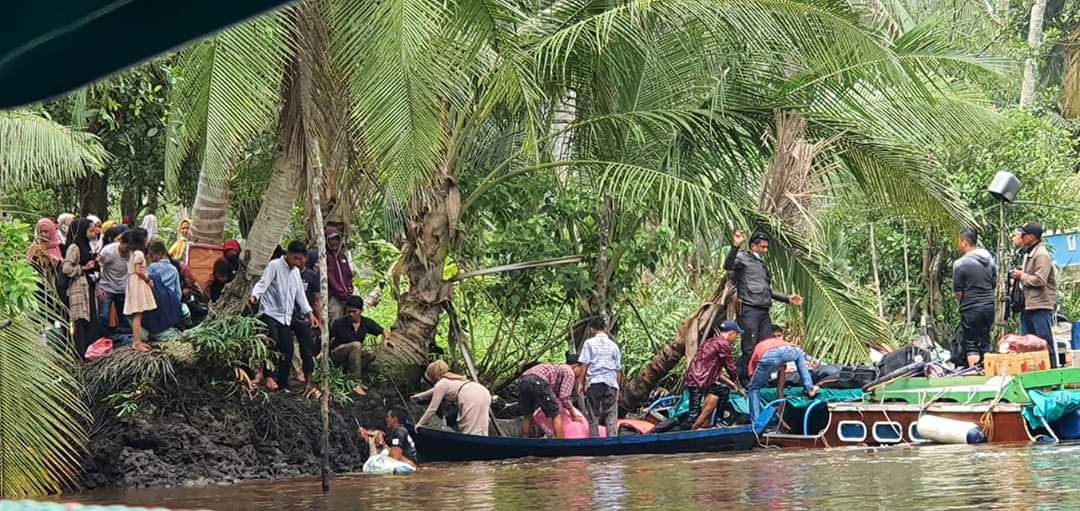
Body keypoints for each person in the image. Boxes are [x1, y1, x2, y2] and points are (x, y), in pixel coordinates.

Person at [724, 230, 804, 381]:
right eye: (762, 247)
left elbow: (767, 290)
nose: (765, 250)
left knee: (766, 346)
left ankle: (761, 378)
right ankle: (744, 378)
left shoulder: (762, 265)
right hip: (749, 310)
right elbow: (728, 266)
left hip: (763, 311)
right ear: (753, 246)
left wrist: (787, 298)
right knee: (749, 347)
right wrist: (735, 247)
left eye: (767, 247)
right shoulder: (742, 258)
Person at [249, 241, 319, 391]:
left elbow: (300, 295)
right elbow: (263, 283)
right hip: (270, 312)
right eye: (296, 258)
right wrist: (255, 295)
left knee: (288, 349)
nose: (298, 262)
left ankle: (283, 384)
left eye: (301, 259)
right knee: (273, 342)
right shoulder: (274, 265)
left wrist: (309, 313)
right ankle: (269, 376)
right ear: (288, 254)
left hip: (285, 317)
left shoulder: (295, 272)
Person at [1011, 221, 1059, 367]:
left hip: (1040, 306)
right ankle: (1033, 370)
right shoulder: (1030, 253)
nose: (1021, 237)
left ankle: (1052, 369)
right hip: (1029, 304)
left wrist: (1021, 276)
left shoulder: (1041, 255)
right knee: (1027, 343)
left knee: (1043, 341)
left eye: (1023, 235)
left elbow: (1040, 280)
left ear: (1031, 237)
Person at [684, 320, 745, 429]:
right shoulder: (723, 344)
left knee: (723, 391)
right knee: (694, 414)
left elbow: (713, 371)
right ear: (731, 333)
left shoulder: (711, 342)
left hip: (698, 378)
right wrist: (738, 385)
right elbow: (731, 368)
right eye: (736, 335)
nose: (736, 338)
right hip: (699, 381)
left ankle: (716, 421)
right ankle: (684, 432)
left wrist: (732, 384)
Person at [746, 333, 819, 424]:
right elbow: (780, 388)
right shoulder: (781, 347)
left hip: (769, 355)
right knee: (799, 354)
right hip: (789, 351)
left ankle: (755, 422)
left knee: (753, 389)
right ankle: (809, 388)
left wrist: (752, 384)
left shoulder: (760, 352)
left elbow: (752, 375)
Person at [953, 228, 997, 368]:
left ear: (965, 242)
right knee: (985, 341)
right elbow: (993, 282)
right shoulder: (989, 259)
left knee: (971, 343)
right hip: (988, 306)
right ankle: (988, 370)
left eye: (959, 241)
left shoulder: (960, 264)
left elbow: (958, 292)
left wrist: (964, 302)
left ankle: (974, 371)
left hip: (971, 307)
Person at [412, 360, 492, 436]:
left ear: (433, 376)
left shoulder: (441, 383)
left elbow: (432, 409)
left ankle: (470, 444)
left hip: (470, 397)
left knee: (469, 428)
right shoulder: (452, 378)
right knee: (481, 425)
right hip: (482, 391)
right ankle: (483, 441)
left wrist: (420, 424)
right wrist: (418, 397)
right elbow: (434, 391)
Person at [329, 295, 389, 396]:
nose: (351, 314)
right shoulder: (339, 323)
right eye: (349, 312)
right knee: (356, 345)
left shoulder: (366, 323)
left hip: (352, 356)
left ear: (361, 311)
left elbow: (383, 330)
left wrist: (386, 339)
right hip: (337, 355)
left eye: (354, 312)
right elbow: (327, 338)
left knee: (370, 353)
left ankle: (348, 373)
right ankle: (355, 383)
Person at [61, 218, 100, 356]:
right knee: (80, 320)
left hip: (88, 287)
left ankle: (91, 351)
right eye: (90, 230)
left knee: (91, 319)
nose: (94, 233)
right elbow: (66, 268)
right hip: (78, 288)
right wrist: (83, 268)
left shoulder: (87, 246)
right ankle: (81, 352)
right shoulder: (74, 247)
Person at [577, 318, 621, 437]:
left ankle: (595, 441)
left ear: (592, 329)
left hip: (594, 382)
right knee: (611, 416)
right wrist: (617, 387)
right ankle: (612, 441)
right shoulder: (614, 346)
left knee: (593, 416)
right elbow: (618, 369)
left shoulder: (589, 343)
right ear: (605, 329)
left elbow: (585, 364)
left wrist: (580, 383)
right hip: (610, 382)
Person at [516, 362, 582, 438]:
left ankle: (525, 438)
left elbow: (554, 393)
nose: (579, 377)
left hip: (523, 379)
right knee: (556, 414)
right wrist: (573, 414)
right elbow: (564, 397)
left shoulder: (558, 368)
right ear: (576, 366)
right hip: (538, 381)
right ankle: (560, 441)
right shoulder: (569, 372)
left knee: (528, 414)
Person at [122, 229, 155, 352]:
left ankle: (137, 341)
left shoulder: (130, 253)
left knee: (137, 313)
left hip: (132, 282)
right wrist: (147, 279)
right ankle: (137, 342)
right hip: (138, 283)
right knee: (138, 313)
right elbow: (138, 270)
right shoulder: (139, 254)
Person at [96, 224, 133, 334]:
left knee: (124, 318)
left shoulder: (132, 253)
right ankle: (104, 338)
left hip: (123, 288)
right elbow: (97, 267)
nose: (127, 250)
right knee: (104, 316)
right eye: (126, 247)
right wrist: (98, 287)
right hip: (106, 287)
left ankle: (123, 338)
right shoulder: (108, 251)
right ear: (121, 242)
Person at [143, 242, 183, 337]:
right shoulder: (174, 269)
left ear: (160, 254)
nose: (150, 258)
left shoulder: (152, 267)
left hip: (154, 301)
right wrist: (176, 305)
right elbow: (178, 292)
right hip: (170, 302)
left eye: (152, 256)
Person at [325, 227, 354, 322]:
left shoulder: (342, 257)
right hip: (334, 296)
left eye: (336, 239)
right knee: (336, 316)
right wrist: (342, 293)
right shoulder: (325, 257)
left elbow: (349, 275)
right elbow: (330, 279)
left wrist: (350, 288)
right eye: (331, 239)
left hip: (347, 295)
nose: (334, 242)